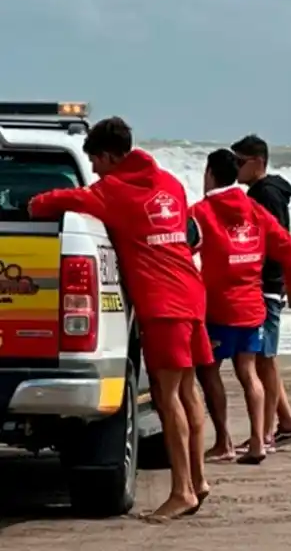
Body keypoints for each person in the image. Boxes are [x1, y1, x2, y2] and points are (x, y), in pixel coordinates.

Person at [29, 117, 211, 520]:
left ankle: (182, 490)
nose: (93, 169)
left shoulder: (111, 192)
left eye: (95, 160)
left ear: (110, 156)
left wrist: (31, 202)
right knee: (187, 392)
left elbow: (53, 201)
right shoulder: (170, 184)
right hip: (192, 293)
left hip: (163, 303)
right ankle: (198, 481)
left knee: (167, 399)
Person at [191, 149, 291, 464]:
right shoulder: (253, 208)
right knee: (248, 372)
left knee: (208, 369)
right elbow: (287, 247)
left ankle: (223, 440)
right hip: (252, 306)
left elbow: (180, 245)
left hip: (219, 308)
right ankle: (257, 442)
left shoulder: (200, 211)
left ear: (210, 174)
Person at [233, 134, 291, 449]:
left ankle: (265, 432)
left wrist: (289, 282)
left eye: (239, 162)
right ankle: (287, 423)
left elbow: (279, 241)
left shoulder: (267, 196)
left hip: (267, 285)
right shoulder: (260, 192)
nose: (235, 168)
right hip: (264, 283)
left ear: (257, 161)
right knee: (264, 357)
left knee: (264, 358)